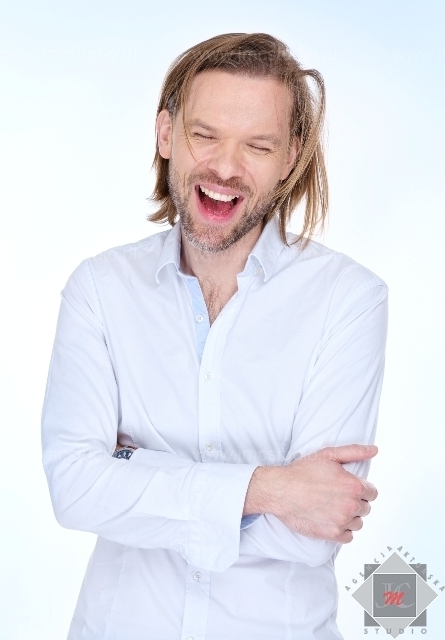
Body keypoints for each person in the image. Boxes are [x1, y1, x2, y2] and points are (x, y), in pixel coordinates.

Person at [41, 33, 388, 640]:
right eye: (205, 135)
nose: (226, 167)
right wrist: (270, 488)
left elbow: (312, 531)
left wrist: (132, 470)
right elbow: (75, 489)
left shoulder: (349, 300)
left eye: (258, 145)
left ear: (290, 158)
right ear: (166, 134)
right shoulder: (100, 289)